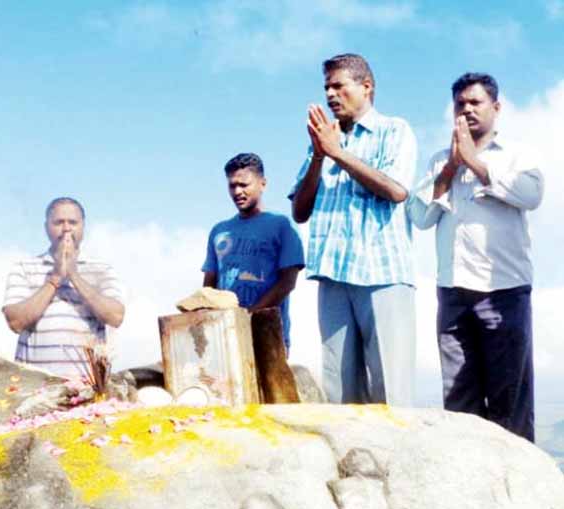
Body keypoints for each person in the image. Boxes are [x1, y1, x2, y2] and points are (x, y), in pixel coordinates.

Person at [407, 73, 543, 442]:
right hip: (452, 292)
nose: (466, 110)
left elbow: (531, 195)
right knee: (459, 402)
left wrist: (476, 164)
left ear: (496, 108)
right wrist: (452, 167)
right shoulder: (440, 162)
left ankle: (517, 492)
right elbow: (419, 217)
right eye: (460, 104)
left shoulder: (518, 155)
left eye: (475, 102)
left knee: (509, 401)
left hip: (504, 290)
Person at [288, 53, 418, 406]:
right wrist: (319, 156)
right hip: (333, 277)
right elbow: (300, 211)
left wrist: (338, 154)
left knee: (391, 391)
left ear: (366, 87)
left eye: (338, 86)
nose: (330, 94)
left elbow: (396, 190)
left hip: (382, 276)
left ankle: (398, 461)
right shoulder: (323, 141)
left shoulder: (394, 130)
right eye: (326, 87)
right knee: (340, 393)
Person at [2, 197, 125, 378]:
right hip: (34, 387)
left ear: (82, 226)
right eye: (59, 222)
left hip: (89, 388)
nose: (66, 228)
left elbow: (116, 316)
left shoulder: (101, 269)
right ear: (47, 227)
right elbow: (15, 322)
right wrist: (56, 278)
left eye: (73, 222)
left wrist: (74, 275)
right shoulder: (24, 267)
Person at [203, 153, 304, 349]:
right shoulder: (219, 231)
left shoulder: (281, 226)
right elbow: (209, 287)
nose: (237, 191)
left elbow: (287, 282)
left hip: (268, 334)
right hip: (226, 336)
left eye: (244, 185)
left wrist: (247, 316)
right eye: (232, 186)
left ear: (262, 184)